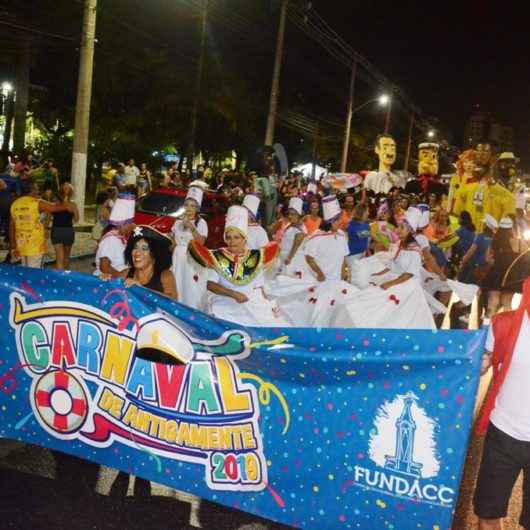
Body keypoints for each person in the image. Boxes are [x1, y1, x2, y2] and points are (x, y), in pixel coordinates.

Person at [474, 277, 530, 530]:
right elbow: (479, 363)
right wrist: (480, 365)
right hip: (503, 435)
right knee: (487, 513)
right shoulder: (504, 324)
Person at [188, 205, 288, 327]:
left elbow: (259, 287)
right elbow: (210, 285)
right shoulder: (219, 256)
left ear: (244, 239)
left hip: (250, 302)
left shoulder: (256, 257)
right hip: (225, 304)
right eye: (228, 238)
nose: (232, 241)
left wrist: (264, 303)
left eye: (236, 237)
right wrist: (233, 294)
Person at [9, 179, 72, 268]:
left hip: (21, 245)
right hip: (35, 247)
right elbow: (57, 207)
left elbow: (11, 226)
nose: (38, 191)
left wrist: (13, 246)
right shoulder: (37, 203)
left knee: (25, 269)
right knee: (34, 274)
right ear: (33, 190)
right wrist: (66, 195)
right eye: (37, 188)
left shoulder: (15, 204)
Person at [170, 185, 208, 309]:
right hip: (177, 258)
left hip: (192, 259)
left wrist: (192, 228)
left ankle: (191, 309)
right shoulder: (177, 222)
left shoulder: (201, 223)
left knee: (190, 286)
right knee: (177, 283)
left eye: (193, 206)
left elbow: (201, 242)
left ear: (197, 208)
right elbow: (173, 242)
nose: (189, 208)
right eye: (187, 205)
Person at [482, 217, 527, 318]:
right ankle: (508, 330)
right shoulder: (519, 242)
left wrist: (497, 261)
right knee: (507, 304)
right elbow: (526, 258)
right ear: (511, 228)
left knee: (492, 303)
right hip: (511, 277)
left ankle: (488, 328)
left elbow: (487, 259)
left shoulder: (495, 241)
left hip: (496, 276)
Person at [123, 225, 177, 299]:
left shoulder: (165, 275)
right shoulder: (126, 273)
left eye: (144, 248)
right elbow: (112, 286)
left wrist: (142, 289)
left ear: (155, 253)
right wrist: (105, 278)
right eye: (135, 247)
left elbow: (173, 301)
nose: (137, 253)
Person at [94, 193, 135, 277]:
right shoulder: (111, 240)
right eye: (131, 224)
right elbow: (104, 267)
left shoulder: (120, 237)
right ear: (123, 224)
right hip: (108, 284)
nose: (133, 226)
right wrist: (121, 275)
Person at [51, 182, 79, 270]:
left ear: (71, 192)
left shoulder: (73, 204)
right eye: (65, 188)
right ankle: (60, 275)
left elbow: (76, 219)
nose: (66, 190)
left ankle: (65, 274)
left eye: (68, 188)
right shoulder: (55, 203)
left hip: (68, 230)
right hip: (56, 230)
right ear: (61, 190)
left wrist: (73, 210)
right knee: (59, 256)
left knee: (66, 255)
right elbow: (49, 216)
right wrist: (44, 229)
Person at [278, 197, 307, 278]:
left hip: (293, 260)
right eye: (288, 214)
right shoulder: (289, 225)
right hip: (284, 257)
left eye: (293, 214)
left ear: (299, 215)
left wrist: (289, 258)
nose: (290, 216)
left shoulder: (301, 229)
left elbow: (296, 245)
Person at [346, 204, 371, 273]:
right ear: (361, 212)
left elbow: (367, 240)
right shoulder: (352, 225)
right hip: (352, 255)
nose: (368, 213)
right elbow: (362, 235)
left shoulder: (366, 224)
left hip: (362, 253)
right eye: (367, 211)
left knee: (360, 275)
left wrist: (368, 252)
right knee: (354, 276)